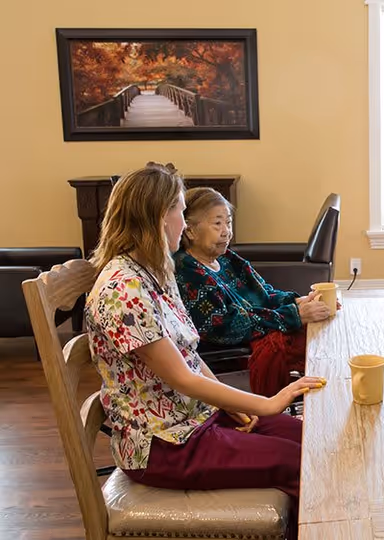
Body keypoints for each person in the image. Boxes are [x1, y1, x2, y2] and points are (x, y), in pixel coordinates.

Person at [85, 162, 323, 533]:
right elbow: (182, 377)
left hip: (194, 419)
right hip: (164, 444)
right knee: (299, 461)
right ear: (159, 217)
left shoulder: (154, 271)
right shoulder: (124, 288)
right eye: (180, 211)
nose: (184, 221)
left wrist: (230, 403)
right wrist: (266, 402)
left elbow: (190, 357)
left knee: (311, 437)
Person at [173, 187, 332, 397]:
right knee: (319, 349)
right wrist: (294, 315)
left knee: (325, 331)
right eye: (217, 223)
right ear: (190, 230)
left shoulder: (226, 258)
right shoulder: (187, 271)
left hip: (260, 331)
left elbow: (264, 293)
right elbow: (226, 327)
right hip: (233, 352)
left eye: (228, 223)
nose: (226, 231)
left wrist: (297, 301)